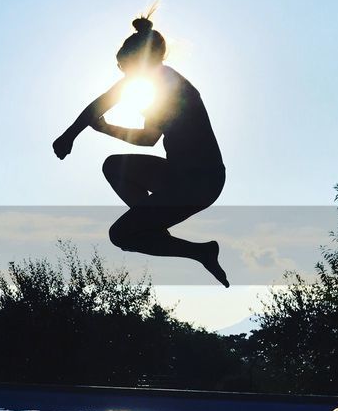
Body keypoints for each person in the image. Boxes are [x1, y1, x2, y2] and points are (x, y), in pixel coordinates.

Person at [52, 15, 229, 286]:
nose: (125, 77)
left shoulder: (169, 85)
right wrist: (73, 135)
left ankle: (196, 250)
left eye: (126, 69)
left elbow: (145, 137)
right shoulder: (157, 80)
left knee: (120, 235)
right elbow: (110, 111)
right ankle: (160, 231)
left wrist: (89, 132)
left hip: (200, 181)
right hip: (181, 175)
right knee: (113, 166)